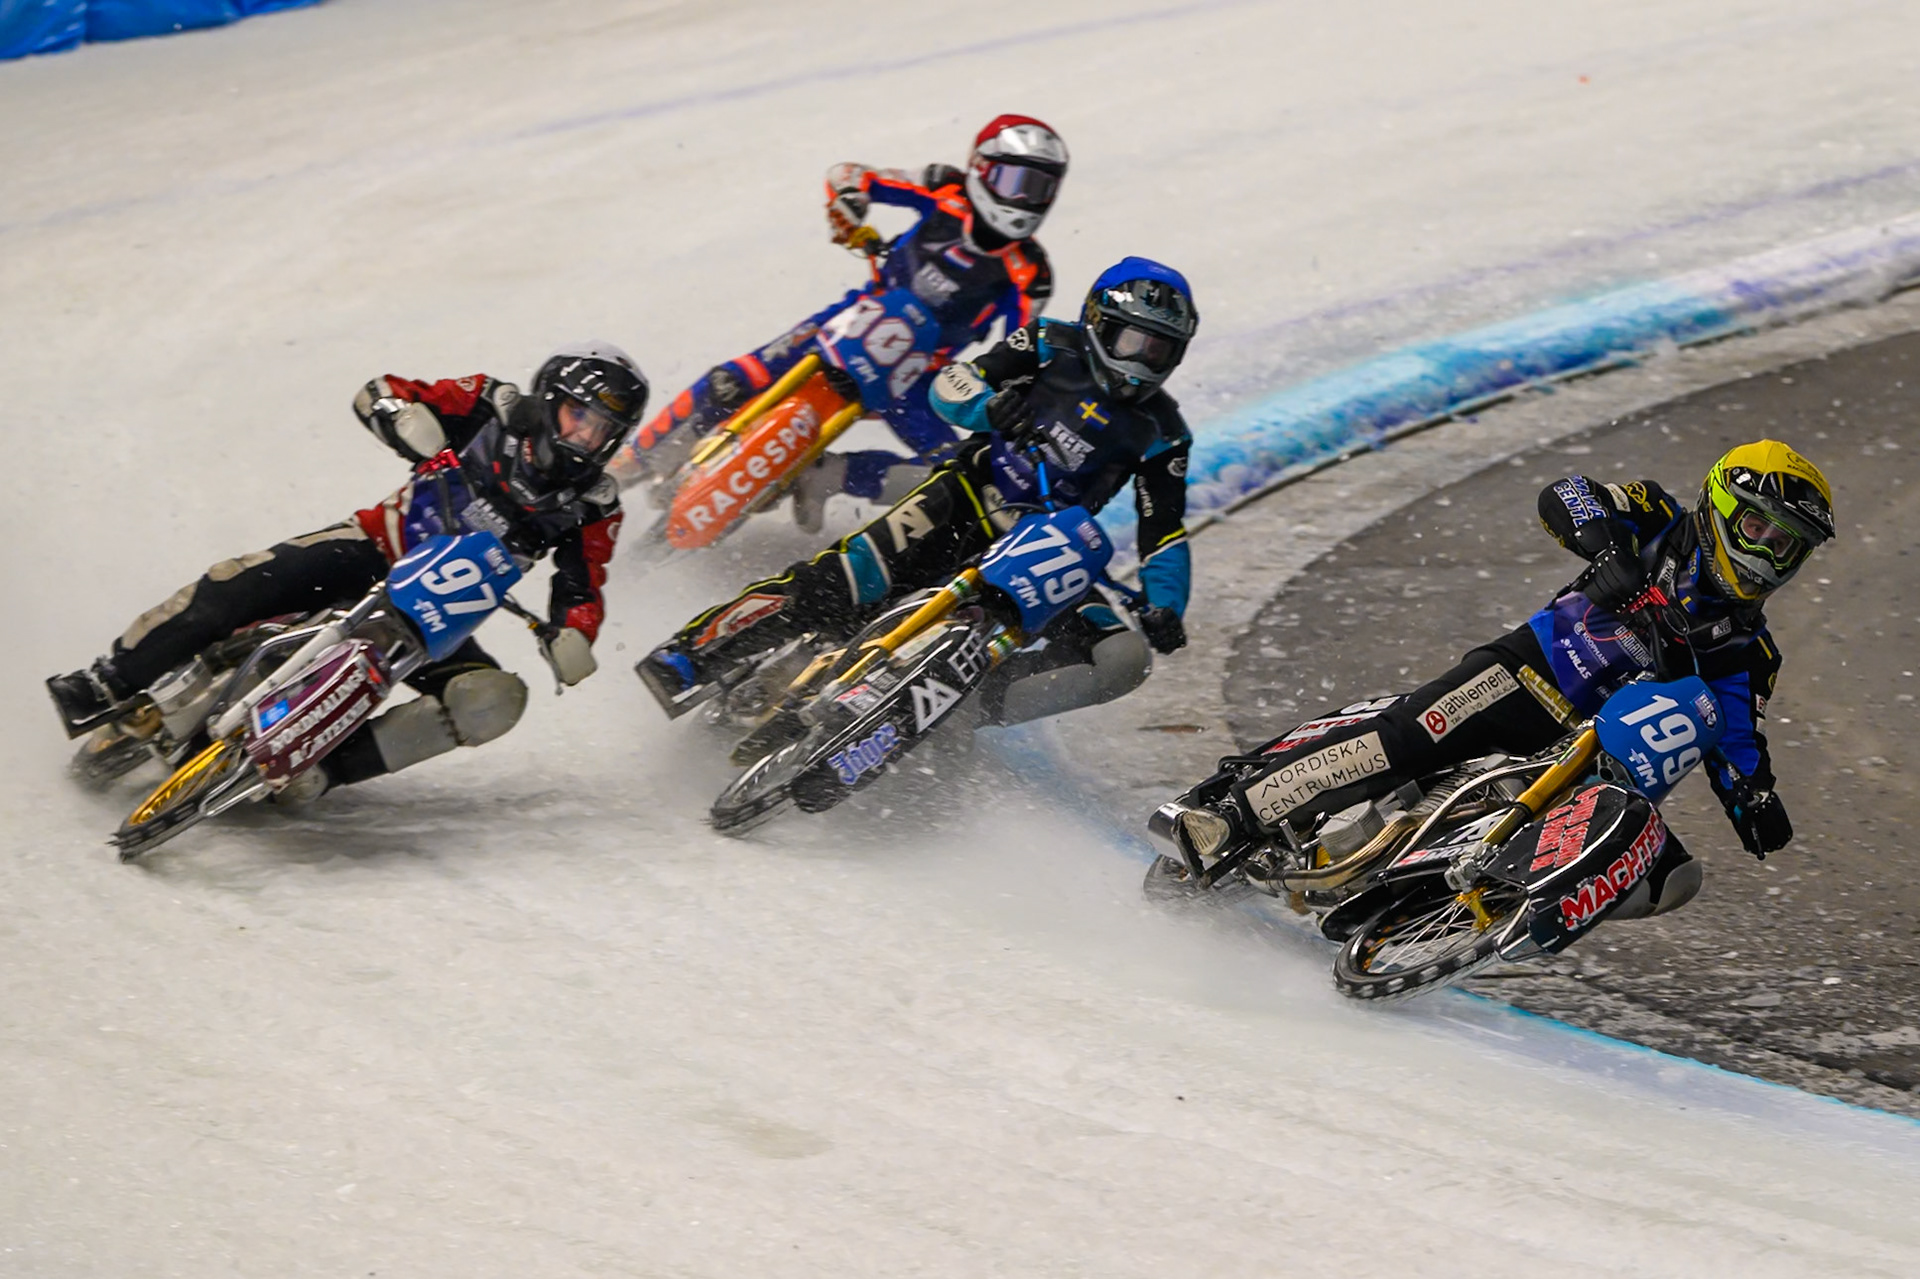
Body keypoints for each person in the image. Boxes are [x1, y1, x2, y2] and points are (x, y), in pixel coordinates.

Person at [1174, 441, 1836, 917]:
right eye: (1757, 527)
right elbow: (1567, 493)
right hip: (1533, 673)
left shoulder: (1752, 650)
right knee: (1407, 737)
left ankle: (1435, 915)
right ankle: (1233, 816)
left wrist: (1754, 796)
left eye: (1787, 545)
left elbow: (1736, 730)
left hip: (1600, 761)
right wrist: (1606, 549)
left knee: (1671, 879)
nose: (1768, 553)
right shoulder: (1662, 516)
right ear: (1720, 503)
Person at [47, 342, 647, 802]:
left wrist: (575, 633)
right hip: (373, 548)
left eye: (602, 431)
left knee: (490, 700)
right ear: (549, 400)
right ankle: (108, 682)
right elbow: (379, 391)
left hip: (439, 618)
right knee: (238, 581)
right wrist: (403, 417)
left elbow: (582, 584)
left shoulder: (594, 504)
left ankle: (324, 772)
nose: (585, 438)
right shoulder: (492, 402)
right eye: (578, 417)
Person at [637, 257, 1200, 729]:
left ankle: (964, 711)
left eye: (1159, 352)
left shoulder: (1165, 431)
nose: (1140, 365)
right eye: (1134, 342)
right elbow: (952, 384)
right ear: (1098, 322)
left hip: (1051, 548)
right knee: (853, 578)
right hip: (970, 493)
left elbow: (1164, 530)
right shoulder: (1051, 342)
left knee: (1122, 658)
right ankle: (694, 653)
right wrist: (988, 406)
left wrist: (1166, 605)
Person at [611, 115, 1067, 530]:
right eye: (1016, 182)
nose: (1026, 199)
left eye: (1041, 189)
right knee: (733, 381)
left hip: (921, 375)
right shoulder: (943, 190)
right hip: (856, 318)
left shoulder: (1031, 273)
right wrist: (848, 207)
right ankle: (635, 459)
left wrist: (1003, 396)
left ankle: (833, 475)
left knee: (955, 475)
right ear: (981, 169)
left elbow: (1018, 351)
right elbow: (851, 175)